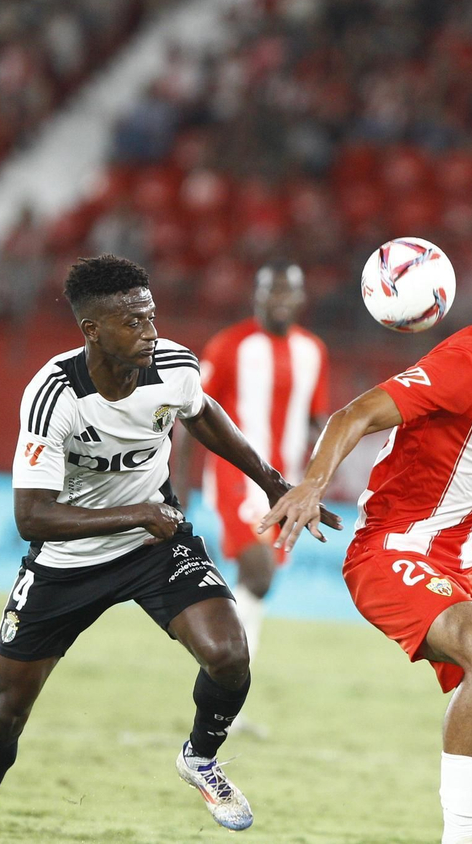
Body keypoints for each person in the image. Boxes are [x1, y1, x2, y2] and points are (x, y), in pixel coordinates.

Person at [0, 254, 340, 844]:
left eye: (151, 316)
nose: (150, 331)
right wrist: (135, 513)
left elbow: (203, 415)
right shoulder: (54, 395)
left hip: (154, 546)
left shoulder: (173, 365)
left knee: (230, 655)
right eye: (133, 322)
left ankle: (200, 758)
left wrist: (272, 480)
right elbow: (32, 518)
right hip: (68, 561)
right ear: (92, 331)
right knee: (6, 708)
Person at [258, 243, 472, 844]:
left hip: (462, 558)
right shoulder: (470, 356)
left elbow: (463, 437)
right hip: (393, 551)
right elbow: (353, 414)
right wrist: (311, 485)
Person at [171, 260, 330, 735]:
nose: (278, 301)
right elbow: (191, 415)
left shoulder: (313, 351)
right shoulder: (229, 345)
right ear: (256, 297)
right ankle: (222, 675)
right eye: (270, 292)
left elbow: (316, 422)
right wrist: (177, 485)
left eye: (287, 293)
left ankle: (224, 696)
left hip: (288, 484)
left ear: (300, 300)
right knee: (258, 574)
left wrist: (320, 479)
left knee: (257, 588)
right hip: (238, 478)